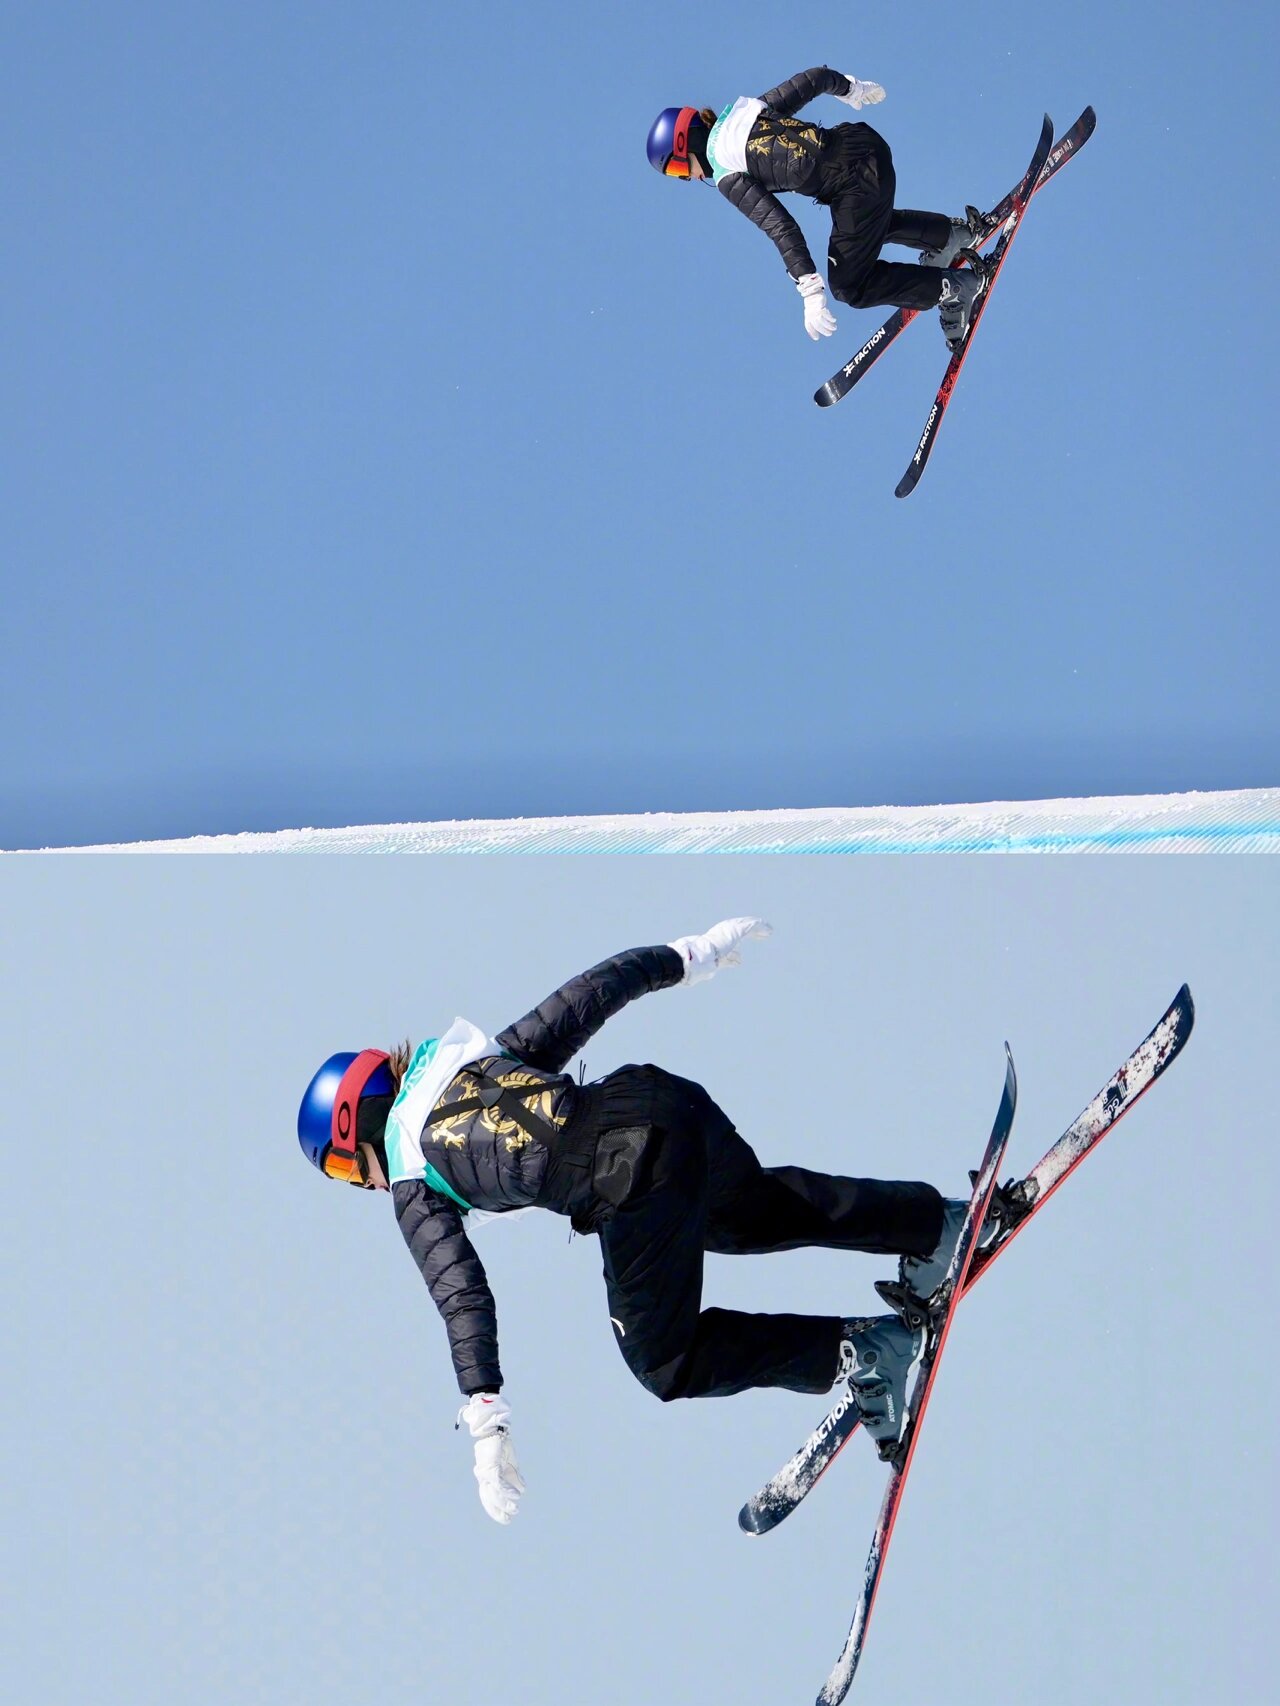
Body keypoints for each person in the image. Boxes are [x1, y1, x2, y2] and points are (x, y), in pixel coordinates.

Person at [296, 920, 973, 1525]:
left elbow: (461, 1295)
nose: (365, 1185)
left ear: (360, 1127)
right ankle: (935, 1227)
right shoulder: (468, 1058)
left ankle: (868, 1355)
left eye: (348, 1172)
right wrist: (688, 955)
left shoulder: (413, 1182)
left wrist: (485, 1417)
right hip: (659, 1100)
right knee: (746, 1213)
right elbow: (588, 994)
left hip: (627, 1179)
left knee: (664, 1362)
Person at [646, 69, 991, 350]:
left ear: (687, 141)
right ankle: (950, 236)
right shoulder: (746, 110)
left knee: (848, 285)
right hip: (866, 145)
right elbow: (814, 79)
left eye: (679, 170)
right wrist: (851, 89)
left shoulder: (725, 172)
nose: (689, 179)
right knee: (860, 234)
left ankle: (955, 289)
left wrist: (810, 289)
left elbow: (780, 227)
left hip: (855, 186)